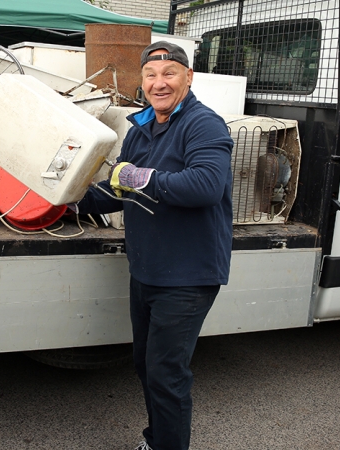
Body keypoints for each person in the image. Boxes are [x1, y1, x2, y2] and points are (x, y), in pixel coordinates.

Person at [75, 41, 234, 450]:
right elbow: (117, 190)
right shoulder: (141, 128)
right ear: (141, 80)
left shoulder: (204, 124)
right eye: (151, 75)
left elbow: (206, 185)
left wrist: (138, 178)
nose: (159, 83)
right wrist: (69, 198)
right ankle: (157, 439)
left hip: (187, 274)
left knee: (166, 373)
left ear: (188, 77)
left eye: (169, 74)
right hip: (146, 270)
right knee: (147, 367)